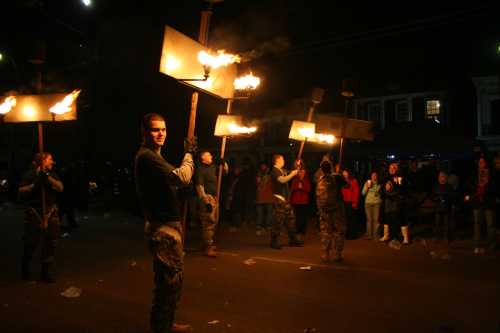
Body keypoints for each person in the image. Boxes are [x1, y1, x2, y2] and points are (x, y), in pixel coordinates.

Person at [134, 113, 196, 333]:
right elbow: (181, 177)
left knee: (173, 282)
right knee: (167, 283)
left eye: (164, 129)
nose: (161, 134)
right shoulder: (147, 157)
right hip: (163, 229)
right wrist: (189, 155)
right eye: (155, 129)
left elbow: (175, 184)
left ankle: (166, 323)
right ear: (144, 132)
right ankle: (160, 327)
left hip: (168, 226)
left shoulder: (156, 157)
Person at [19, 152, 64, 283]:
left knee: (51, 242)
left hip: (50, 212)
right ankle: (25, 269)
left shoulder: (52, 174)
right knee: (31, 243)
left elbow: (60, 187)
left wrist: (48, 179)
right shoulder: (30, 175)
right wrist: (35, 184)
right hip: (35, 213)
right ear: (42, 161)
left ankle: (45, 272)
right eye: (50, 159)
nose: (52, 162)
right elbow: (21, 191)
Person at [195, 150, 227, 257]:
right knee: (208, 223)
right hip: (207, 197)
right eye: (208, 155)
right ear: (203, 158)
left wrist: (224, 163)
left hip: (214, 197)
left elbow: (225, 172)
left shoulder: (213, 167)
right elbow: (199, 187)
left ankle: (206, 244)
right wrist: (205, 202)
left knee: (214, 222)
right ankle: (208, 247)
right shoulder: (200, 170)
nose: (211, 156)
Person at [315, 158, 347, 262]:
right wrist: (341, 175)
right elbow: (348, 185)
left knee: (325, 232)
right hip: (337, 209)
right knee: (338, 231)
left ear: (321, 169)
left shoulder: (320, 179)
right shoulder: (337, 177)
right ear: (331, 167)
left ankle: (325, 254)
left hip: (324, 210)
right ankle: (338, 254)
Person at [465, 156, 498, 255]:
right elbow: (470, 185)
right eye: (480, 162)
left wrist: (487, 191)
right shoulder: (474, 174)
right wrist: (473, 194)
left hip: (488, 202)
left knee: (490, 225)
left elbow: (495, 187)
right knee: (477, 224)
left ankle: (492, 246)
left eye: (483, 162)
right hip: (477, 202)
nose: (481, 163)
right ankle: (477, 245)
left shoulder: (492, 174)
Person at [269, 154, 303, 249]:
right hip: (278, 199)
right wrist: (293, 174)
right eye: (282, 159)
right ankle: (274, 241)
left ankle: (293, 239)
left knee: (290, 220)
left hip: (285, 200)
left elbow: (291, 172)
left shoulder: (282, 170)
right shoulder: (274, 171)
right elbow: (282, 180)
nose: (284, 160)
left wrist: (297, 167)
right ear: (278, 160)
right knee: (278, 221)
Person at [380, 163, 410, 245]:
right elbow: (383, 189)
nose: (391, 169)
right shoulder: (386, 177)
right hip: (388, 201)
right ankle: (387, 236)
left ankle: (405, 238)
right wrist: (386, 191)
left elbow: (403, 190)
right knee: (387, 218)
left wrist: (399, 183)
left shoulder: (400, 177)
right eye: (390, 167)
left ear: (397, 169)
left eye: (393, 168)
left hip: (398, 202)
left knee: (400, 219)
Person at [431, 171, 455, 244]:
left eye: (442, 176)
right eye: (439, 176)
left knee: (446, 224)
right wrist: (436, 198)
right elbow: (432, 196)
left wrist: (446, 199)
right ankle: (436, 237)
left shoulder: (449, 186)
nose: (441, 178)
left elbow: (452, 197)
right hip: (438, 208)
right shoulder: (436, 186)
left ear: (445, 177)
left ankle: (446, 237)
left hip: (447, 207)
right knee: (437, 223)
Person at [290, 166, 311, 242]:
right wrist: (297, 187)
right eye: (300, 172)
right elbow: (292, 189)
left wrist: (302, 187)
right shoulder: (295, 180)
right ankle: (297, 231)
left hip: (304, 201)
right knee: (297, 217)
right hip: (296, 201)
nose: (301, 174)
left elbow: (308, 189)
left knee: (303, 217)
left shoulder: (307, 180)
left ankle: (302, 231)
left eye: (303, 172)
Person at [361, 171, 382, 240]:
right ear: (370, 176)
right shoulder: (367, 183)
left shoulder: (379, 184)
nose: (374, 177)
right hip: (368, 203)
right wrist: (367, 187)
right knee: (369, 220)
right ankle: (369, 235)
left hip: (377, 203)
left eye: (375, 175)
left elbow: (381, 194)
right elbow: (363, 193)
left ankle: (376, 235)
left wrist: (379, 191)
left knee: (376, 219)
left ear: (377, 176)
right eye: (372, 175)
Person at [255, 162, 273, 235]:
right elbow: (258, 184)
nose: (263, 167)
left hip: (268, 196)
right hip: (260, 197)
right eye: (262, 166)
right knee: (260, 213)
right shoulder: (259, 175)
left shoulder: (270, 175)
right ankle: (259, 226)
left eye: (264, 166)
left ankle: (268, 226)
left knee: (269, 212)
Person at [341, 168, 360, 239]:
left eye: (345, 172)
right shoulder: (342, 181)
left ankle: (352, 234)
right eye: (343, 173)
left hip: (351, 202)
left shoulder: (353, 181)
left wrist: (355, 202)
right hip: (344, 202)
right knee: (345, 219)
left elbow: (356, 192)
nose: (344, 174)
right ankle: (346, 233)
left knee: (351, 219)